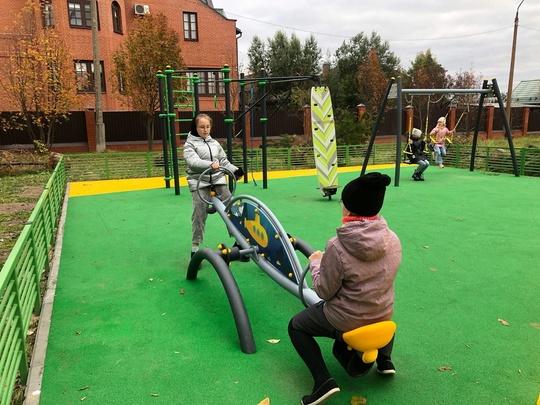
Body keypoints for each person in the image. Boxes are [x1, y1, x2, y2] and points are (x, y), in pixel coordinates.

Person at [288, 172, 402, 405]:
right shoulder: (393, 239)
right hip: (383, 314)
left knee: (297, 326)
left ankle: (323, 381)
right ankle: (385, 360)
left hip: (346, 319)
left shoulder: (337, 246)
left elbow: (323, 291)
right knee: (378, 300)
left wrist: (316, 262)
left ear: (348, 210)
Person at [183, 114, 244, 260]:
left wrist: (235, 170)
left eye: (207, 127)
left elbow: (223, 161)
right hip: (200, 182)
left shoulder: (215, 143)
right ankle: (195, 248)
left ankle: (240, 242)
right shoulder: (190, 145)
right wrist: (210, 165)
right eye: (201, 127)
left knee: (231, 206)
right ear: (195, 127)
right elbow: (193, 162)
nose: (205, 130)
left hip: (217, 179)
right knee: (199, 212)